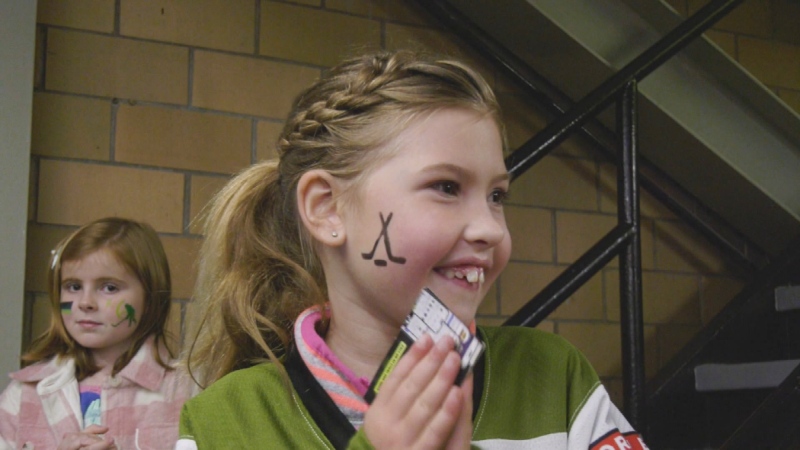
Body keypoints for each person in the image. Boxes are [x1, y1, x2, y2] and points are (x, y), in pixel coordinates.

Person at [177, 50, 647, 449]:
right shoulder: (221, 424)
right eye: (446, 186)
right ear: (327, 209)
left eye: (497, 196)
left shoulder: (554, 378)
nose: (489, 229)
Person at [0, 217, 195, 449]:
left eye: (109, 287)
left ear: (150, 297)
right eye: (73, 286)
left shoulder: (185, 392)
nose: (85, 303)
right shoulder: (24, 395)